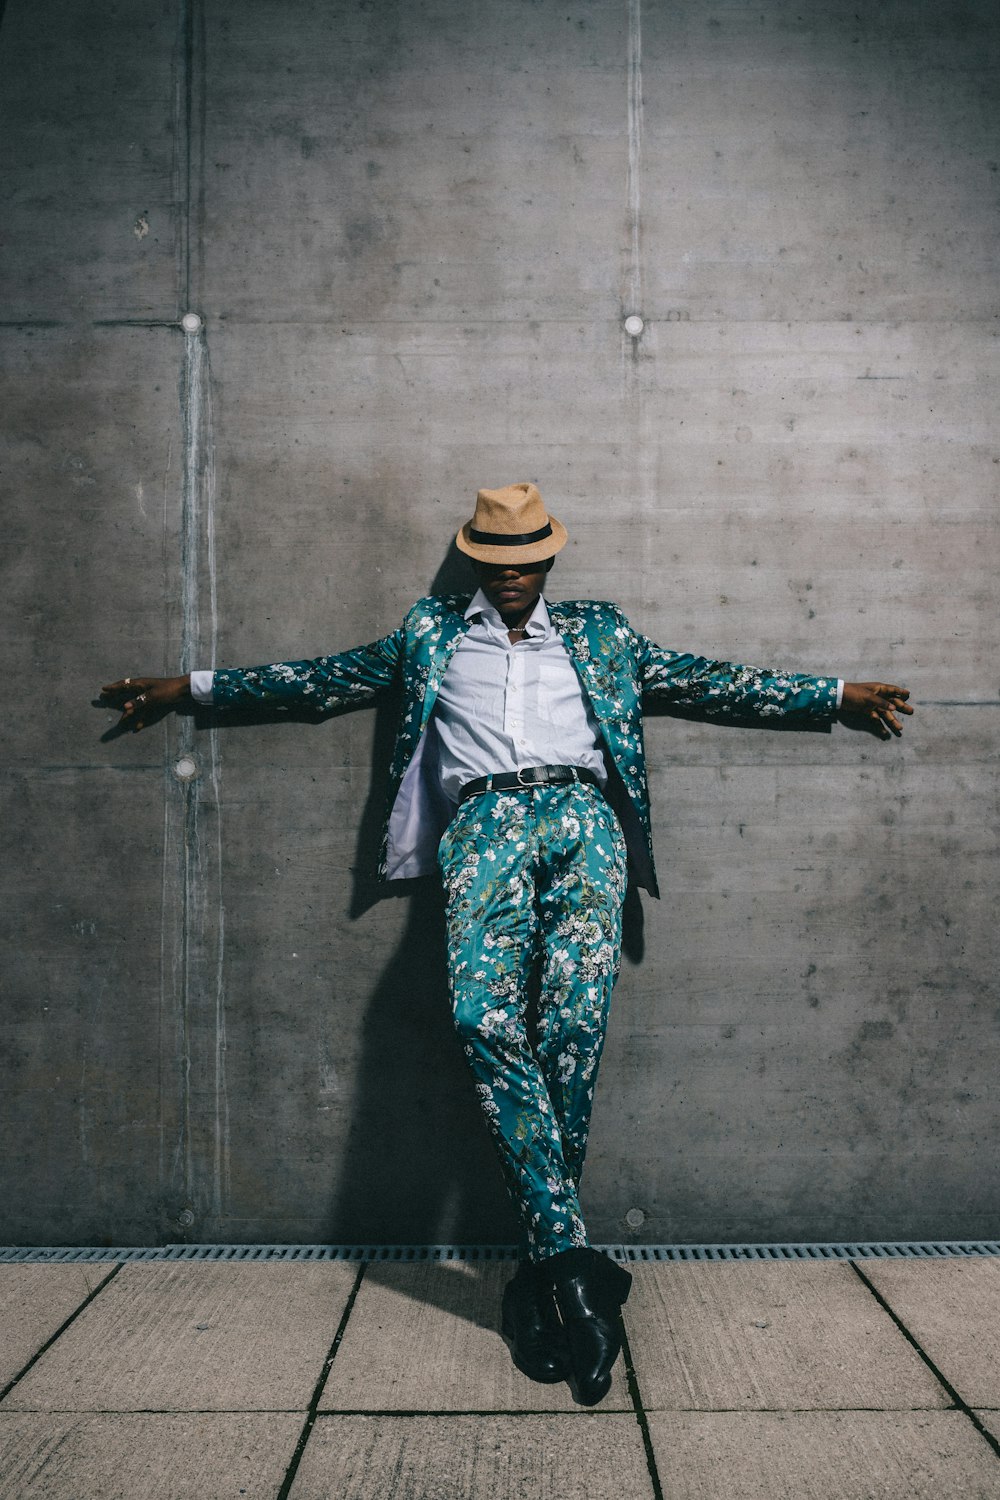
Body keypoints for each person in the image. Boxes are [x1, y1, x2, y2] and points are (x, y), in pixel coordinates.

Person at [101, 481, 913, 1405]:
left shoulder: (602, 633)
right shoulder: (432, 633)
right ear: (478, 558)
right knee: (484, 1021)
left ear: (551, 557)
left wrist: (834, 695)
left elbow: (712, 681)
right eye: (498, 558)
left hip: (585, 822)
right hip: (485, 827)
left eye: (530, 555)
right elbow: (321, 682)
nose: (515, 570)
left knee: (573, 1039)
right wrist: (188, 690)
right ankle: (571, 1268)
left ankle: (545, 1278)